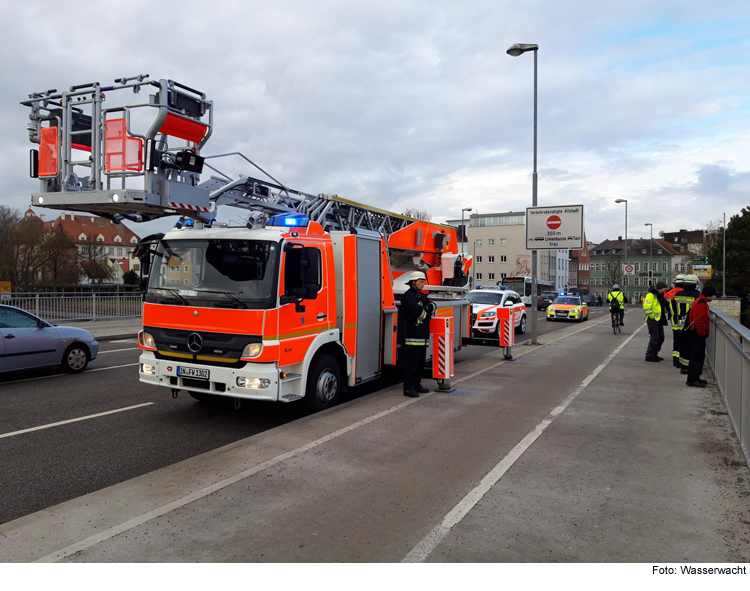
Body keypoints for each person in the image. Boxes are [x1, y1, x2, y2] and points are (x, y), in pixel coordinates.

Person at [400, 271, 437, 397]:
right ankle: (408, 388)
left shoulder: (421, 296)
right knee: (412, 364)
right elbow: (419, 313)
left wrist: (427, 310)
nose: (423, 285)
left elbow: (433, 306)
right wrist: (427, 311)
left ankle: (417, 384)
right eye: (421, 282)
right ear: (413, 282)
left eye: (423, 282)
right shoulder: (408, 296)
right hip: (413, 336)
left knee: (421, 363)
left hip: (423, 336)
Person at [682, 285, 717, 387]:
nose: (714, 297)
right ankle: (692, 379)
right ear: (709, 295)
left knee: (697, 356)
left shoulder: (699, 300)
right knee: (697, 356)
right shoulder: (702, 303)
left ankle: (695, 377)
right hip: (697, 334)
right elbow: (699, 320)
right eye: (713, 295)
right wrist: (703, 333)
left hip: (694, 333)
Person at [666, 274, 700, 370]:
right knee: (688, 344)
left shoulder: (677, 295)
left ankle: (677, 361)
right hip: (690, 324)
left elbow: (672, 309)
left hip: (677, 322)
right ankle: (685, 365)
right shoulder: (697, 295)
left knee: (678, 342)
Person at [643, 280, 670, 362]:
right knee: (655, 338)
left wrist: (664, 310)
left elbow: (659, 306)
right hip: (653, 319)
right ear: (660, 288)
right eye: (665, 288)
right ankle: (649, 355)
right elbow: (646, 307)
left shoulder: (660, 296)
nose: (666, 289)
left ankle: (654, 354)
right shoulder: (651, 295)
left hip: (659, 319)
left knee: (661, 338)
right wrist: (652, 316)